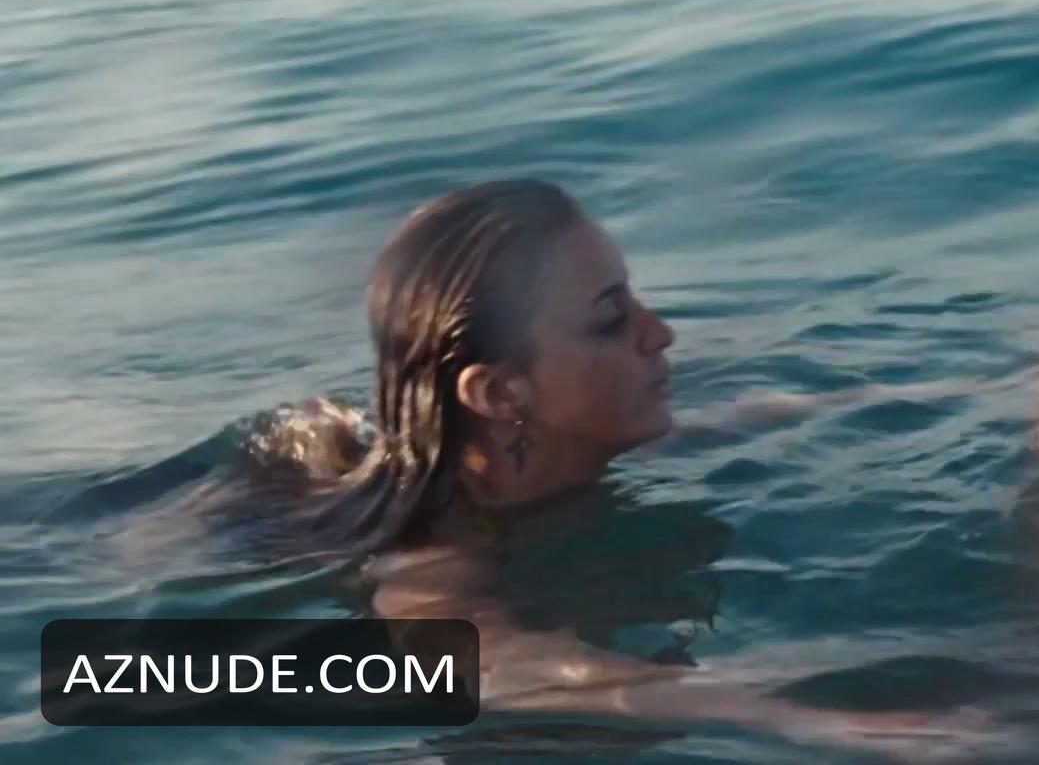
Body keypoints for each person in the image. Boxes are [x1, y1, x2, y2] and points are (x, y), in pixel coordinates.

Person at [274, 179, 982, 755]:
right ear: (500, 393)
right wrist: (799, 716)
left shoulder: (570, 444)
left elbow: (750, 417)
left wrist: (970, 392)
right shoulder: (435, 546)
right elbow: (474, 664)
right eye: (611, 321)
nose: (660, 333)